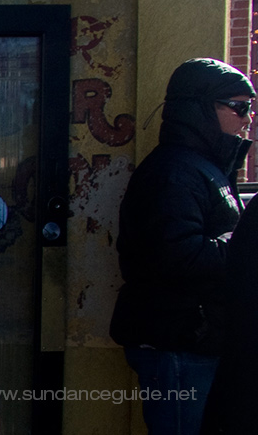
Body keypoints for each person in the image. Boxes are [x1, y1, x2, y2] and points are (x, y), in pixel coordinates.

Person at [112, 57, 253, 435]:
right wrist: (243, 247)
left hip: (196, 339)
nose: (247, 119)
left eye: (250, 109)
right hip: (178, 344)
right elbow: (178, 256)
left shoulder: (203, 168)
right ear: (201, 109)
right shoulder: (174, 172)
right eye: (240, 107)